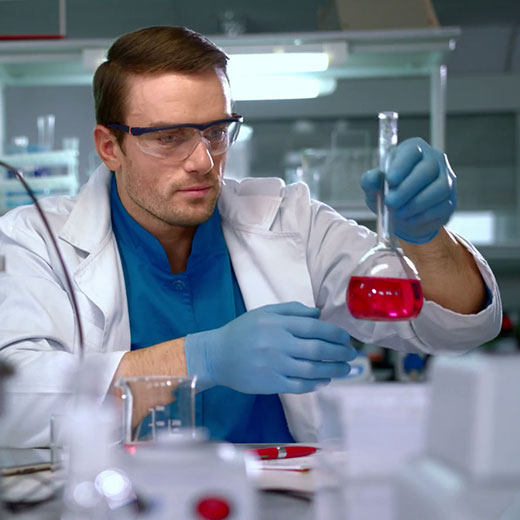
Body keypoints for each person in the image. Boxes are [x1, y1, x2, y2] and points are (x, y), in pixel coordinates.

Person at [0, 26, 501, 448]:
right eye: (169, 138)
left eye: (216, 131)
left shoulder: (289, 220)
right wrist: (198, 359)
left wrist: (425, 236)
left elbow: (455, 328)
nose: (203, 161)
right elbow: (15, 402)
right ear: (110, 147)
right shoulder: (36, 240)